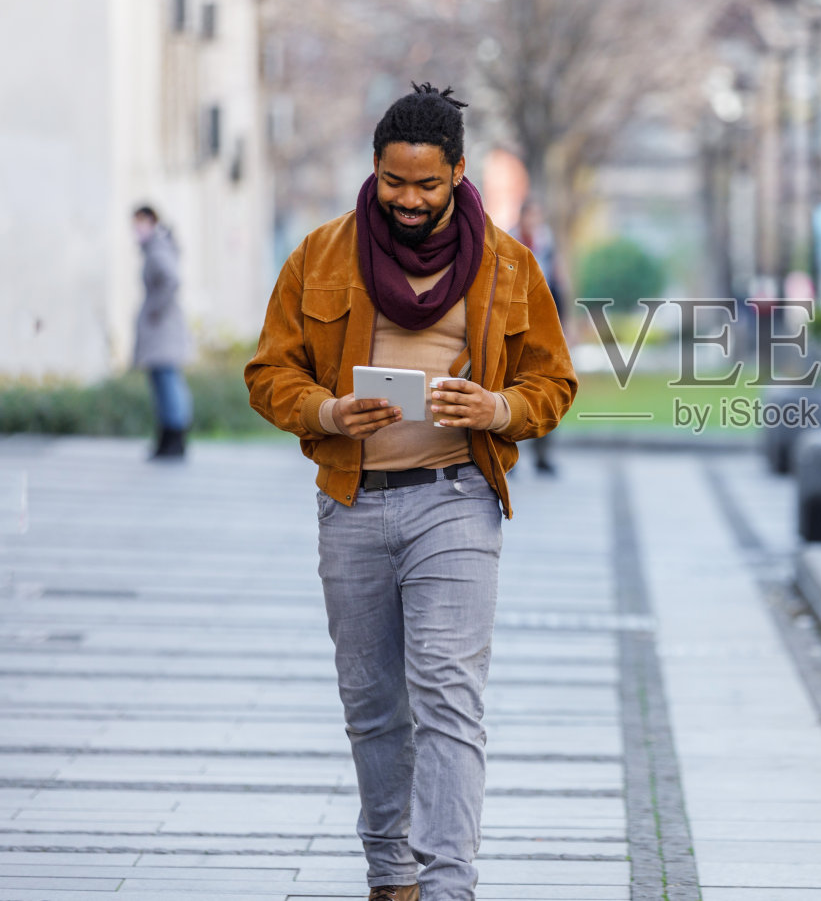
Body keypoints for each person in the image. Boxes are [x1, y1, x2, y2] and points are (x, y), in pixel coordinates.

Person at [245, 84, 576, 901]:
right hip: (352, 500)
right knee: (372, 702)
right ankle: (391, 874)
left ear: (459, 174)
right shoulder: (321, 255)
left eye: (428, 184)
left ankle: (451, 883)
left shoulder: (506, 264)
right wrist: (327, 409)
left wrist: (498, 407)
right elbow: (267, 371)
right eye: (395, 182)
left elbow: (554, 380)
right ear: (375, 170)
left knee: (447, 694)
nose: (409, 200)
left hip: (456, 495)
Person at [510, 199, 569, 475]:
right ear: (522, 218)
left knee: (545, 386)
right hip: (515, 323)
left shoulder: (547, 244)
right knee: (510, 387)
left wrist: (565, 325)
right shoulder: (508, 242)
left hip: (543, 321)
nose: (533, 222)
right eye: (529, 217)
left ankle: (543, 455)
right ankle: (508, 456)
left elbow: (557, 285)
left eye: (537, 217)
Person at [132, 205, 193, 459]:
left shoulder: (157, 250)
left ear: (153, 221)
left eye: (140, 221)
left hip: (162, 330)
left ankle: (173, 439)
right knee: (164, 382)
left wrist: (155, 309)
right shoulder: (157, 247)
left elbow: (171, 281)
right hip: (162, 331)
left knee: (167, 382)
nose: (136, 228)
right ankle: (168, 438)